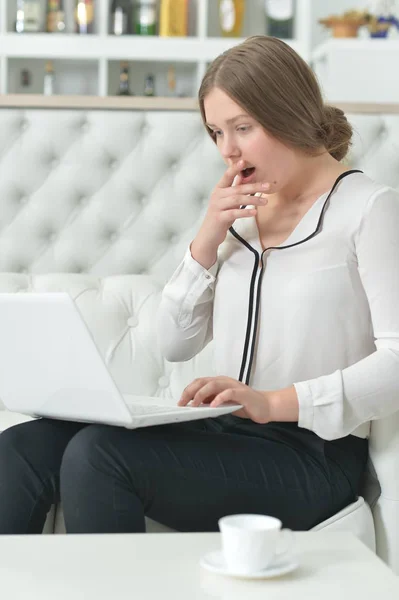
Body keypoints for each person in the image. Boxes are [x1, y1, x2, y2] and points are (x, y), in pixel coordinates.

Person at [1, 35, 398, 535]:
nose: (227, 150)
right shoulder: (239, 214)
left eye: (242, 128)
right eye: (215, 132)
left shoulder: (371, 209)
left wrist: (272, 402)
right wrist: (208, 236)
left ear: (289, 113)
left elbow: (397, 362)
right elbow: (172, 343)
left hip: (311, 456)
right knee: (22, 447)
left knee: (99, 456)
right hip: (225, 432)